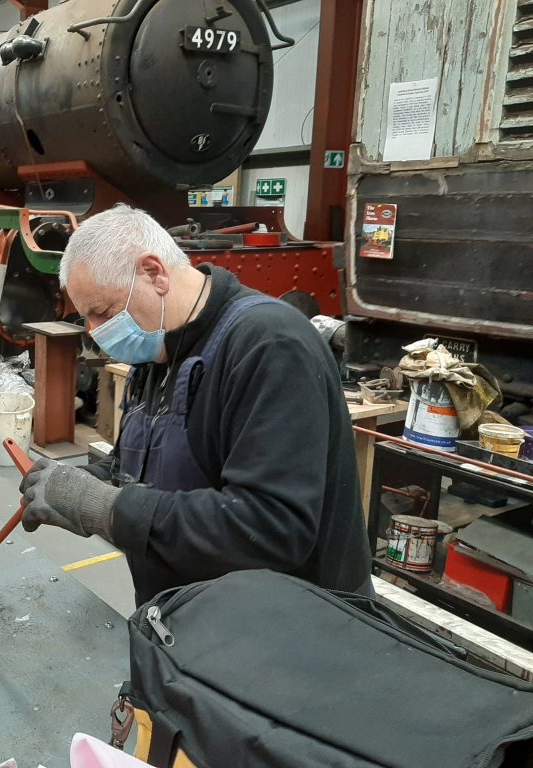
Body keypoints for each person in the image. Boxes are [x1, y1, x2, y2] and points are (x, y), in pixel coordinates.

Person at [20, 204, 372, 605]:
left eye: (102, 312)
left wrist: (107, 509)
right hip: (189, 627)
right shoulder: (158, 352)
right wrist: (80, 486)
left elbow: (272, 528)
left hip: (287, 635)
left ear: (154, 274)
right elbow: (135, 470)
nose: (95, 333)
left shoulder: (270, 347)